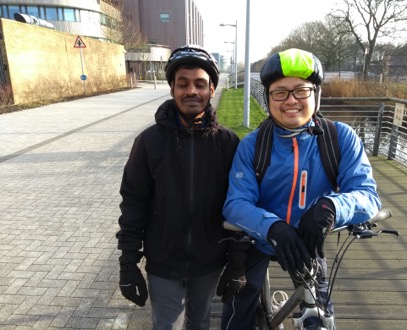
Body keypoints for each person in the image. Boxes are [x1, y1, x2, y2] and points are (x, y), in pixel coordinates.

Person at [220, 48, 382, 329]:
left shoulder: (339, 138)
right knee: (237, 309)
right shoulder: (253, 145)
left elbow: (368, 196)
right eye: (280, 92)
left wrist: (331, 207)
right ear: (268, 98)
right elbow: (235, 204)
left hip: (309, 242)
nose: (291, 100)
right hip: (259, 240)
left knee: (318, 312)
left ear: (316, 94)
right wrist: (273, 228)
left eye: (301, 91)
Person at [115, 44, 242, 330]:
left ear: (211, 89)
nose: (191, 91)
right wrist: (128, 261)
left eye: (200, 84)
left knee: (199, 323)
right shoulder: (148, 142)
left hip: (210, 261)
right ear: (172, 89)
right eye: (182, 84)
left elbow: (239, 204)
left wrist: (237, 261)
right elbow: (133, 202)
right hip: (164, 262)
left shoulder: (229, 144)